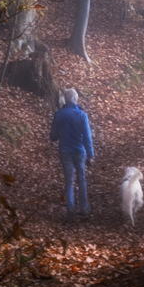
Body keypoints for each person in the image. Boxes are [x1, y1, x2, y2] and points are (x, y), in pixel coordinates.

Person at [49, 88, 94, 217]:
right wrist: (90, 155)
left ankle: (70, 209)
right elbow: (87, 136)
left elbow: (53, 135)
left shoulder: (59, 114)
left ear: (65, 99)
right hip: (80, 152)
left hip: (65, 152)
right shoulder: (82, 115)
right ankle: (84, 208)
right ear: (76, 99)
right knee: (81, 179)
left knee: (69, 180)